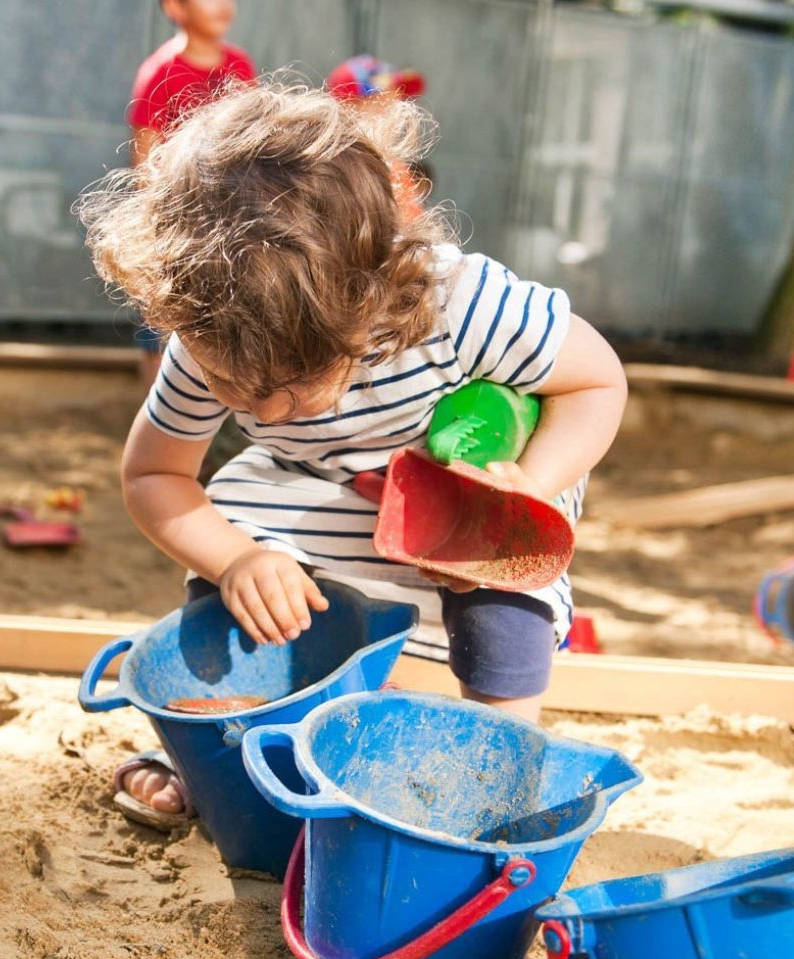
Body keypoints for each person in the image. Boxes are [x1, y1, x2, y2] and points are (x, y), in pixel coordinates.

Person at [81, 83, 627, 825]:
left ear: (366, 298)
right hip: (315, 487)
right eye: (234, 387)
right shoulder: (216, 323)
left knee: (500, 593)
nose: (263, 409)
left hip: (464, 488)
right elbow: (155, 473)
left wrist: (527, 485)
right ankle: (212, 757)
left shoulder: (458, 303)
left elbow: (598, 381)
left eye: (292, 383)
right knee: (245, 583)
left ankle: (501, 774)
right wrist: (235, 561)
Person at [127, 0, 254, 384]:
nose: (222, 5)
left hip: (228, 218)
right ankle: (156, 405)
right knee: (163, 316)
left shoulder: (240, 67)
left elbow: (253, 139)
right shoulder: (159, 72)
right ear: (175, 8)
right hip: (176, 218)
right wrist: (156, 224)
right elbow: (144, 158)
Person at [326, 54, 430, 221]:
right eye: (381, 101)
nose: (399, 111)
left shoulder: (398, 172)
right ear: (347, 107)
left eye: (398, 100)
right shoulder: (326, 172)